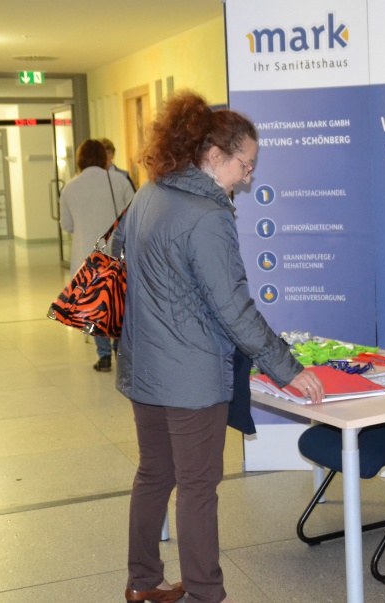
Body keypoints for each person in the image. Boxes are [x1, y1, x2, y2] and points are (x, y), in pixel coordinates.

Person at [112, 91, 324, 603]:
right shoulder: (207, 215)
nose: (249, 177)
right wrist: (287, 367)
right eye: (245, 164)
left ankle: (142, 582)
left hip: (144, 369)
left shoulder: (149, 193)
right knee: (199, 487)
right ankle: (207, 594)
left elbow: (124, 260)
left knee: (154, 475)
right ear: (214, 156)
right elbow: (233, 309)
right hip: (190, 378)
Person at [59, 138, 135, 372]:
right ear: (104, 157)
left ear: (80, 160)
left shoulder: (70, 187)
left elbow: (67, 225)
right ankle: (119, 350)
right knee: (119, 304)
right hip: (116, 253)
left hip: (86, 257)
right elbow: (133, 214)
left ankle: (103, 356)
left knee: (94, 308)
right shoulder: (119, 180)